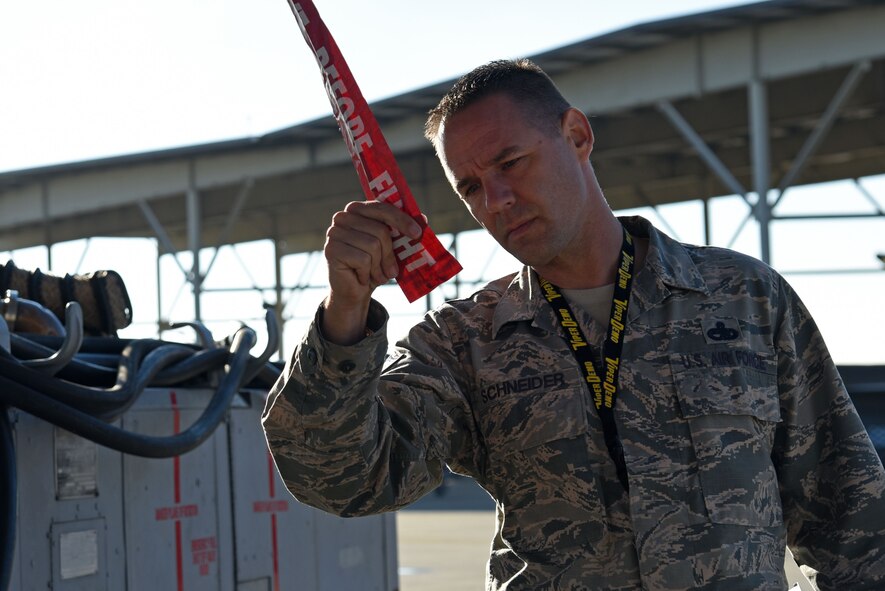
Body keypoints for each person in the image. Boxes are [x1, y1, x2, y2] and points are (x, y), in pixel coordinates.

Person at [262, 59, 885, 590]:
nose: (496, 200)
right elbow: (346, 480)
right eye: (472, 187)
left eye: (511, 161)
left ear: (578, 135)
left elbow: (849, 513)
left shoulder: (744, 298)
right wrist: (344, 315)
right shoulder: (462, 341)